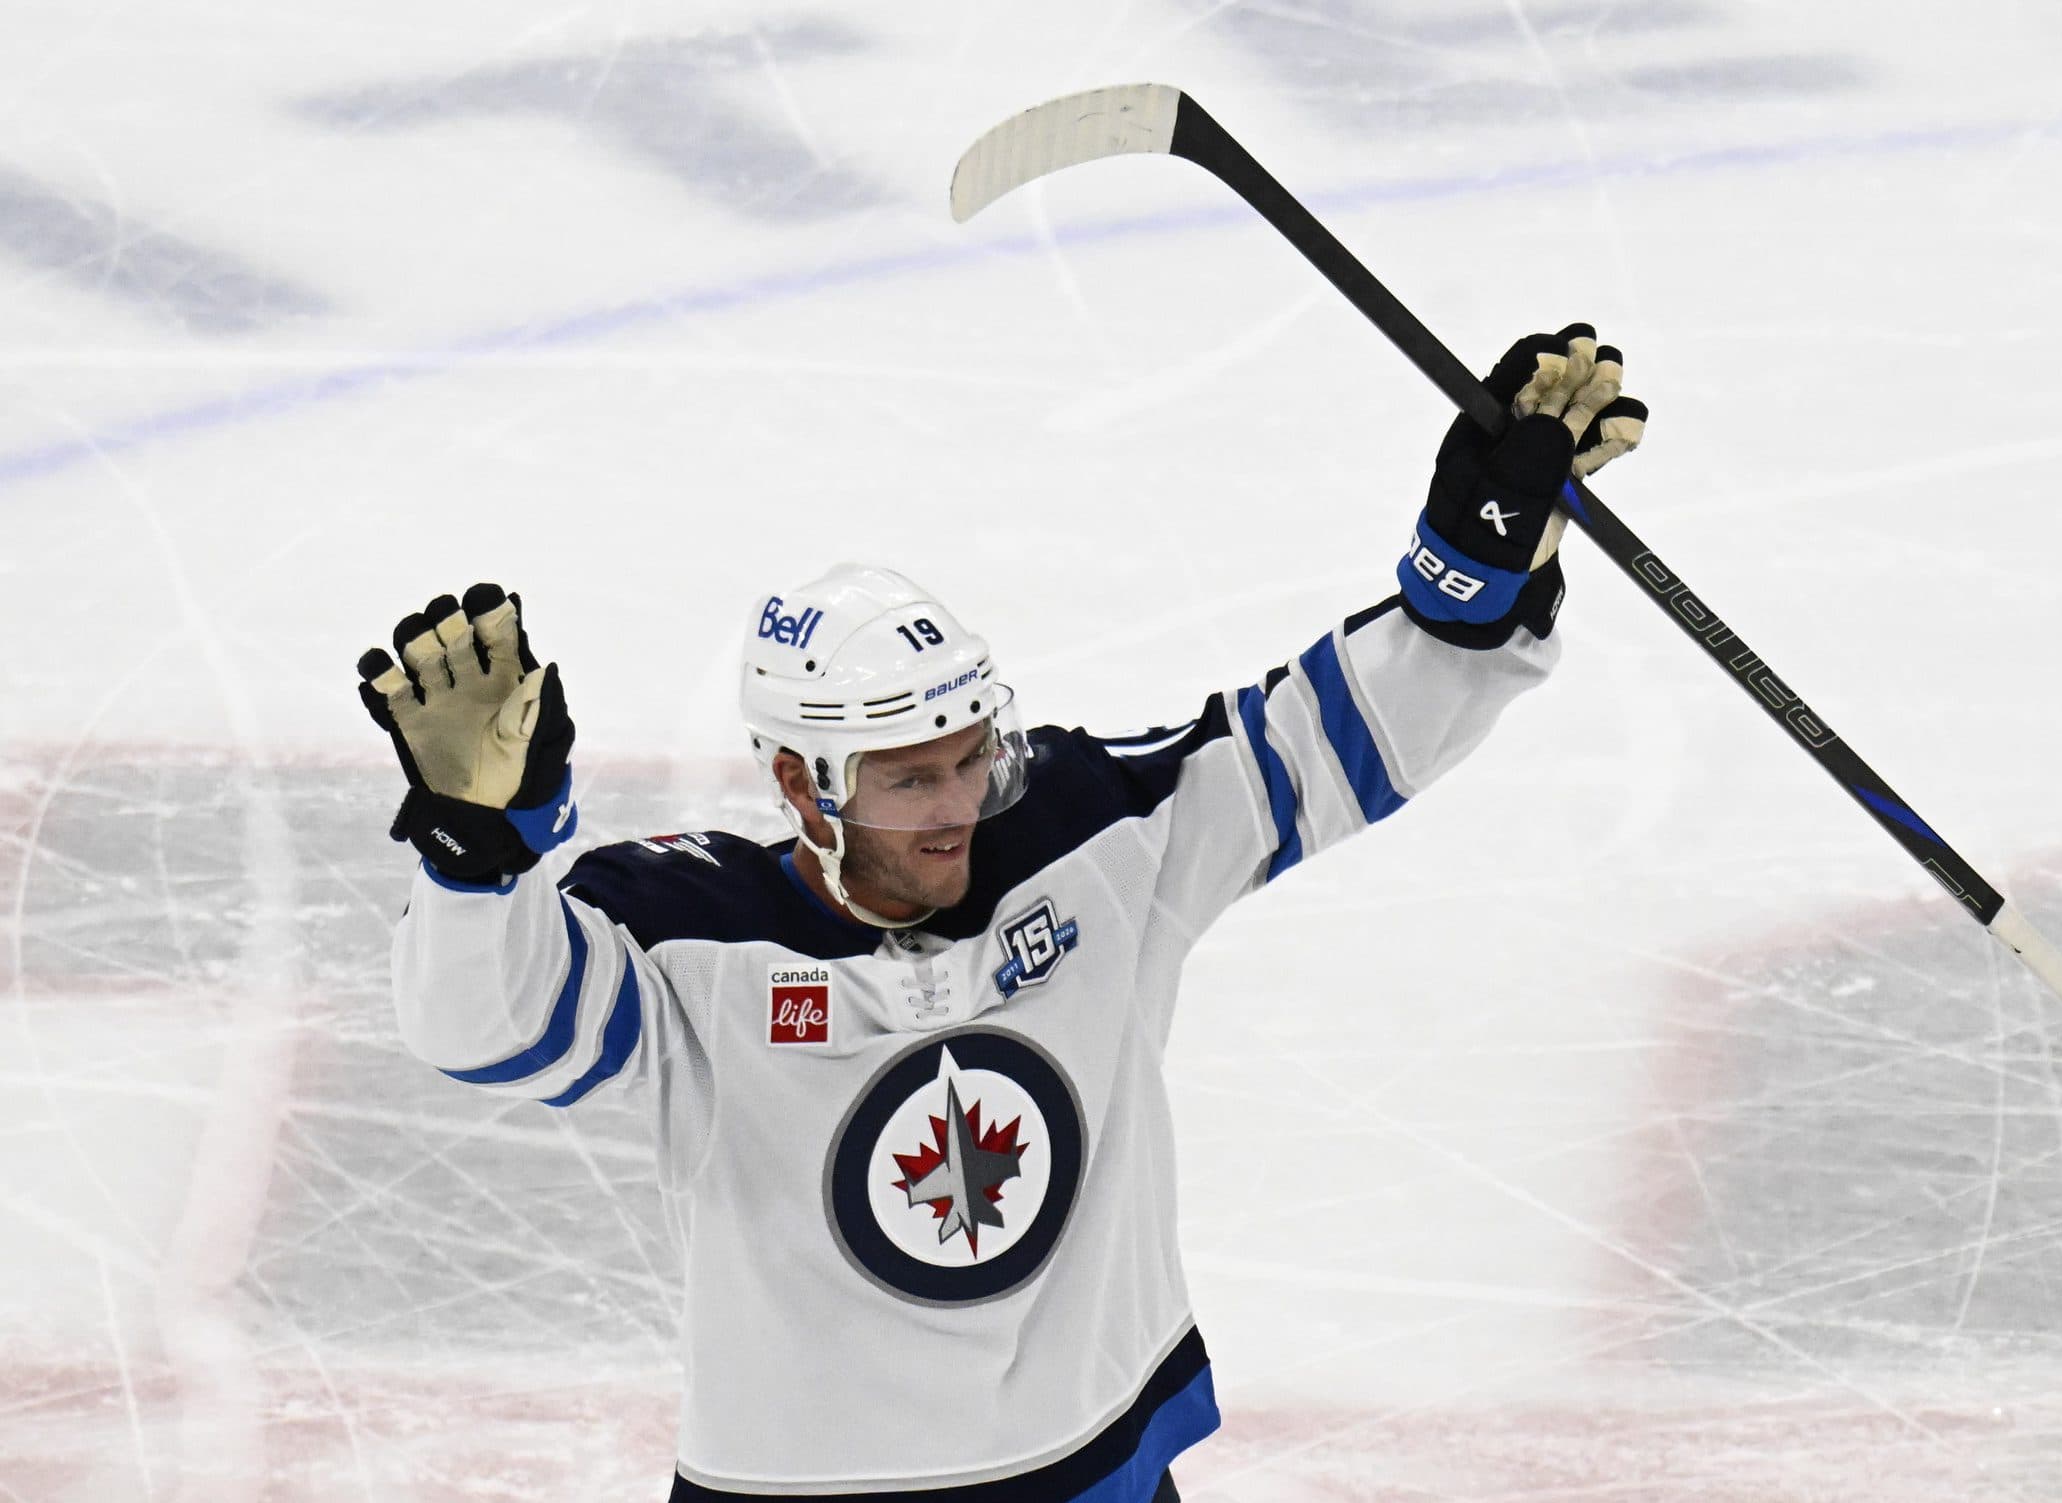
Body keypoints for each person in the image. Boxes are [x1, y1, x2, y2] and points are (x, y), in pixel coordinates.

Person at [357, 326, 1645, 1502]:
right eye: (911, 778)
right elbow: (490, 1024)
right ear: (804, 783)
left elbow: (1328, 740)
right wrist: (482, 855)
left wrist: (1473, 569)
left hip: (1097, 1472)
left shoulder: (1086, 838)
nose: (956, 807)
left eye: (970, 758)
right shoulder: (695, 940)